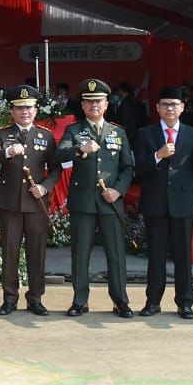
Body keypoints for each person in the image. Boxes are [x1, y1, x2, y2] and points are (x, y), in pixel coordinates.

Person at [54, 78, 134, 317]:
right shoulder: (75, 130)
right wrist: (80, 149)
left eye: (98, 101)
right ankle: (80, 301)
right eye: (89, 102)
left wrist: (118, 190)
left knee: (116, 253)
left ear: (107, 104)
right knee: (80, 253)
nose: (93, 105)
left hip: (110, 200)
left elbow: (128, 167)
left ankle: (120, 300)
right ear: (83, 105)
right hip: (83, 201)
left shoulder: (118, 132)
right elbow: (59, 155)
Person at [133, 87, 193, 319]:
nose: (169, 108)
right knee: (155, 256)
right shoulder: (145, 133)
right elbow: (137, 170)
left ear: (182, 108)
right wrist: (158, 155)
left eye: (174, 104)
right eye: (164, 104)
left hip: (184, 202)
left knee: (183, 256)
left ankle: (185, 302)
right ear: (157, 108)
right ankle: (153, 301)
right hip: (155, 202)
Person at [0, 85, 58, 316]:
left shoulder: (45, 136)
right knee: (10, 251)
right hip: (10, 203)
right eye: (19, 108)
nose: (24, 111)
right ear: (12, 110)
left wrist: (45, 188)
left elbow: (56, 169)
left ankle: (35, 298)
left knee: (37, 252)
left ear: (36, 110)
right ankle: (9, 298)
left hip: (36, 203)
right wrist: (7, 152)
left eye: (28, 108)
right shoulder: (3, 133)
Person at [113, 81, 148, 146]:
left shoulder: (126, 103)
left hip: (130, 139)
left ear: (121, 90)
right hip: (138, 137)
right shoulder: (137, 102)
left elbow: (128, 123)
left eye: (119, 91)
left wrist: (128, 140)